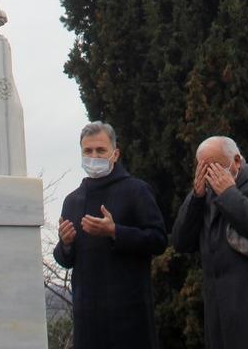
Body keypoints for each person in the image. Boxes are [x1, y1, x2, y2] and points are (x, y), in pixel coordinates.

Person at [173, 135, 248, 349]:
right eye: (203, 168)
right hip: (220, 316)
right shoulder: (204, 195)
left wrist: (228, 193)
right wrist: (196, 196)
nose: (210, 174)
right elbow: (181, 242)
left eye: (215, 166)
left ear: (236, 161)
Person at [53, 121, 168, 349]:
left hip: (129, 315)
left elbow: (158, 240)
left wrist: (115, 231)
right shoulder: (73, 200)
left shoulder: (136, 190)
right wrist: (65, 244)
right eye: (88, 151)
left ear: (115, 154)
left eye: (100, 150)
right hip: (88, 317)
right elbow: (65, 259)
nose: (93, 156)